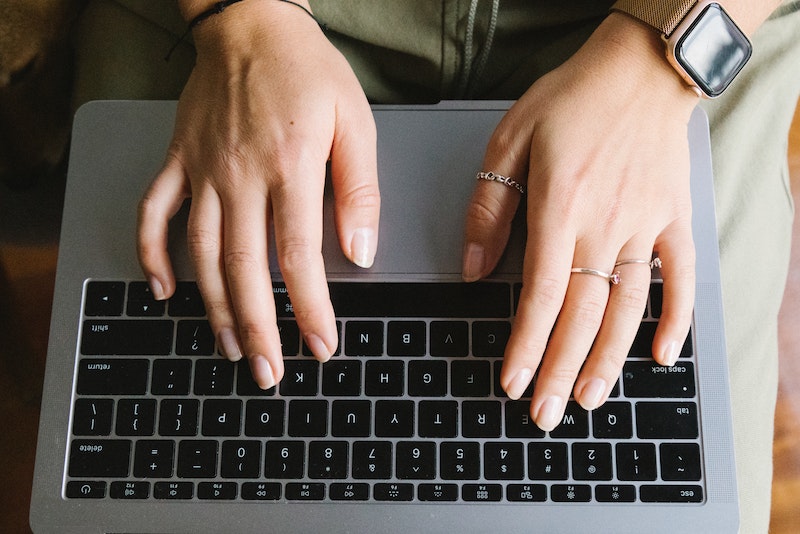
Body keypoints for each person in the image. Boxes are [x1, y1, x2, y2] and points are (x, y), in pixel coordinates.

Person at [70, 1, 799, 531]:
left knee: (680, 480)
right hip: (256, 25)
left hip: (670, 34)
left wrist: (663, 53)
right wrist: (240, 23)